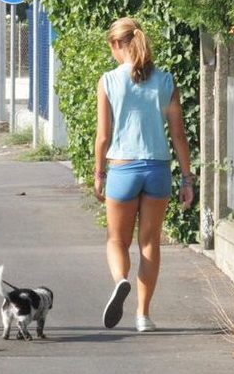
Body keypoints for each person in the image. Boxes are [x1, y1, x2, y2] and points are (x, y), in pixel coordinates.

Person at [94, 17, 194, 332]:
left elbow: (103, 137)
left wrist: (98, 173)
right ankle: (143, 316)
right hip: (157, 169)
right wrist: (187, 179)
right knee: (150, 243)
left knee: (116, 240)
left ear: (116, 44)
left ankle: (120, 280)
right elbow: (179, 136)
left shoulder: (108, 81)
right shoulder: (166, 81)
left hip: (123, 168)